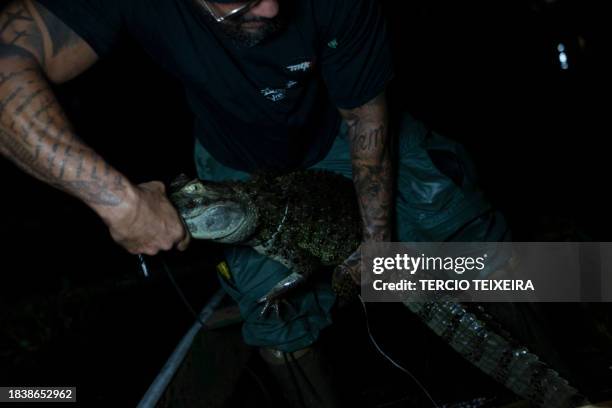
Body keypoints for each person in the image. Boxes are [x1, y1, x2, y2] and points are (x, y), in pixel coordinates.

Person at [0, 0, 508, 406]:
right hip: (234, 161)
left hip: (342, 130)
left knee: (470, 233)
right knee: (273, 323)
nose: (269, 8)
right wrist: (115, 198)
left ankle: (573, 377)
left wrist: (376, 247)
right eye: (236, 1)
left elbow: (367, 123)